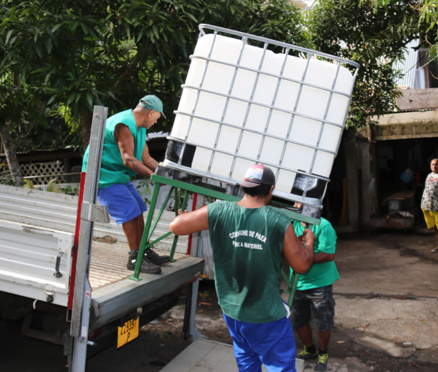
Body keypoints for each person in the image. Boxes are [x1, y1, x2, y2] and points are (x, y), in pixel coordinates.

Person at [169, 164, 315, 372]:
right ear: (271, 190)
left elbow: (176, 226)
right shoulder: (278, 221)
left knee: (247, 362)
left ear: (244, 187)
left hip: (233, 311)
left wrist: (187, 217)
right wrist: (309, 242)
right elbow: (301, 265)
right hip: (266, 314)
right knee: (280, 367)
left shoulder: (218, 210)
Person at [82, 95, 170, 274]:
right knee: (130, 211)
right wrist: (153, 177)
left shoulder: (140, 127)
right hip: (103, 177)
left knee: (138, 208)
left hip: (117, 176)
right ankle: (134, 258)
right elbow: (129, 159)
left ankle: (143, 251)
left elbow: (146, 159)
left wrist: (168, 173)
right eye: (157, 118)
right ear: (151, 113)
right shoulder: (123, 124)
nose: (156, 122)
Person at [290, 203, 339, 372]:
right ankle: (310, 349)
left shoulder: (323, 225)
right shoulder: (292, 224)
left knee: (323, 321)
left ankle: (323, 353)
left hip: (320, 283)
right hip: (297, 282)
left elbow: (328, 254)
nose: (296, 204)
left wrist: (304, 260)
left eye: (299, 202)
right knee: (298, 319)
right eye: (295, 201)